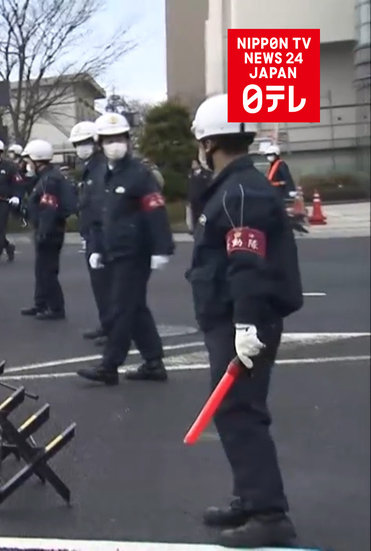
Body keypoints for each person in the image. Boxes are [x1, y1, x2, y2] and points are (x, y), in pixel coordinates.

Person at [188, 93, 303, 548]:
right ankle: (250, 498)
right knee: (235, 411)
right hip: (234, 316)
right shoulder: (236, 187)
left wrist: (245, 324)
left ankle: (269, 514)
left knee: (240, 412)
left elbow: (246, 263)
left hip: (242, 320)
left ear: (209, 142)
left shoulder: (238, 193)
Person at [76, 112, 174, 385]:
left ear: (128, 140)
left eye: (119, 138)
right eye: (109, 140)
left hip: (136, 252)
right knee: (135, 306)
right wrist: (96, 247)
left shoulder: (139, 174)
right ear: (100, 143)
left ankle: (110, 366)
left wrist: (161, 248)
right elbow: (98, 215)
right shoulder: (100, 174)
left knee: (120, 307)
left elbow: (155, 210)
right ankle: (153, 362)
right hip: (112, 250)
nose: (114, 144)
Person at [21, 139, 74, 319]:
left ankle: (56, 308)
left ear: (37, 160)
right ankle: (41, 303)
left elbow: (49, 209)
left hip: (50, 232)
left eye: (28, 161)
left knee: (47, 271)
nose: (26, 164)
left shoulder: (49, 180)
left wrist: (43, 232)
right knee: (40, 270)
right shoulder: (45, 178)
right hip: (47, 230)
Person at [70, 121, 113, 345]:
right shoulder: (91, 168)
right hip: (92, 235)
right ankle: (107, 324)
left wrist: (97, 245)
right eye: (78, 143)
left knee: (106, 286)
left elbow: (98, 209)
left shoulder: (100, 168)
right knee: (100, 286)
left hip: (100, 238)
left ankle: (113, 329)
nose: (81, 147)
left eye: (85, 142)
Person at [188, 158, 212, 232]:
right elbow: (189, 187)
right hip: (193, 199)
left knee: (202, 215)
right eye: (192, 164)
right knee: (194, 215)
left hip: (202, 198)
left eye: (195, 163)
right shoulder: (190, 175)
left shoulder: (206, 174)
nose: (193, 165)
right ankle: (195, 229)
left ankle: (203, 230)